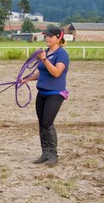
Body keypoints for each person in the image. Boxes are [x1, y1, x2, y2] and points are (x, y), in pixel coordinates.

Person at [21, 24, 70, 165]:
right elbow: (41, 71)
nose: (47, 38)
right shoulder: (46, 52)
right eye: (46, 36)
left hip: (55, 93)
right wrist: (27, 79)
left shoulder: (62, 54)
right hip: (41, 92)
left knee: (48, 122)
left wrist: (43, 59)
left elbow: (56, 72)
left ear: (58, 37)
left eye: (50, 36)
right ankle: (45, 152)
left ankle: (53, 154)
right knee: (42, 124)